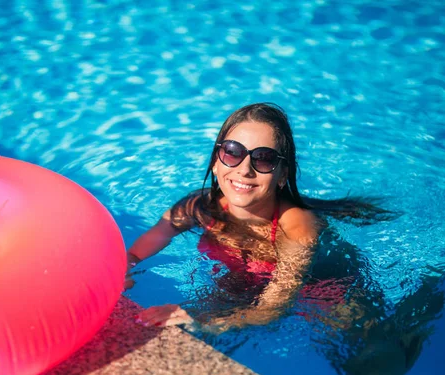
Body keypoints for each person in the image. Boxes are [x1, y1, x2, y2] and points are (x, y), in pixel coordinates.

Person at [125, 102, 397, 329]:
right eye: (232, 153)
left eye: (263, 158)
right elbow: (153, 237)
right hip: (244, 281)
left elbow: (273, 308)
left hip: (325, 296)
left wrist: (203, 319)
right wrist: (122, 269)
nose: (244, 169)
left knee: (368, 367)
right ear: (215, 163)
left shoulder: (297, 227)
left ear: (281, 175)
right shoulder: (200, 206)